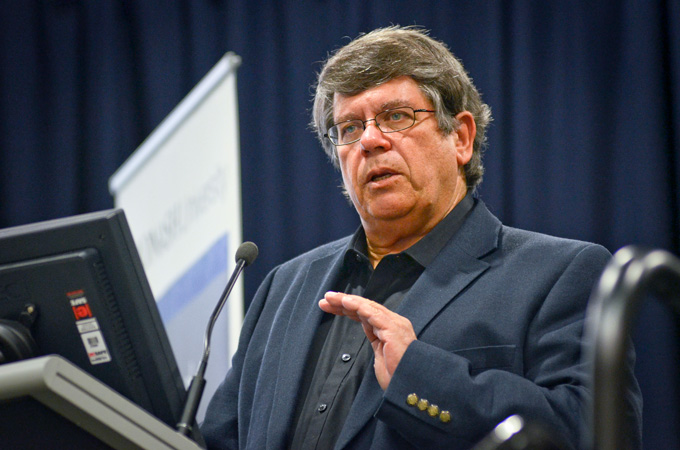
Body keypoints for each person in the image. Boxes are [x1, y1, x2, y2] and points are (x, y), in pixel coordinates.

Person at [201, 26, 642, 449]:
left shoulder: (560, 274)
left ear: (461, 138)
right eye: (349, 128)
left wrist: (419, 375)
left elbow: (596, 432)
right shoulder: (284, 288)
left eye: (396, 116)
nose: (370, 140)